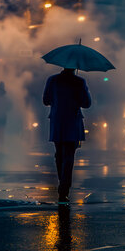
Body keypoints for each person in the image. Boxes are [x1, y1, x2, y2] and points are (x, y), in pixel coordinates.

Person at [43, 68, 92, 204]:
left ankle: (62, 184)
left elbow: (46, 100)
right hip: (73, 122)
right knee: (69, 156)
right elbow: (87, 103)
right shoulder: (79, 82)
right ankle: (64, 189)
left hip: (57, 121)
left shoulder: (52, 80)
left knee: (59, 154)